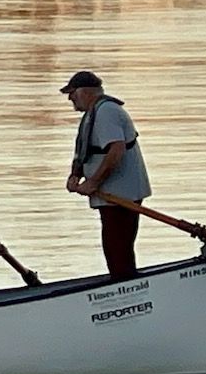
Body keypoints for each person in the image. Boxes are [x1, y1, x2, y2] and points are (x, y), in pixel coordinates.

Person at [62, 70, 151, 281]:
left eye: (72, 93)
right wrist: (76, 175)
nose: (69, 98)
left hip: (121, 195)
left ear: (85, 92)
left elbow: (116, 150)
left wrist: (93, 182)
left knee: (118, 247)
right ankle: (121, 282)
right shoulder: (92, 114)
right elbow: (86, 149)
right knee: (113, 247)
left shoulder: (107, 112)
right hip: (109, 195)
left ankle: (125, 287)